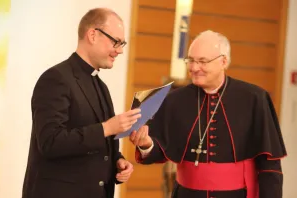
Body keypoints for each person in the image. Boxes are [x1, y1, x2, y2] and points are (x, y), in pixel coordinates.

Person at [129, 30, 287, 198]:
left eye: (202, 62)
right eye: (191, 60)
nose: (194, 68)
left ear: (223, 61)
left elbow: (270, 165)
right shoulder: (174, 100)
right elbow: (160, 149)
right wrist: (146, 144)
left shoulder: (255, 98)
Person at [22, 8, 140, 198]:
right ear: (93, 35)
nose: (120, 50)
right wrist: (106, 128)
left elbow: (96, 145)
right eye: (116, 42)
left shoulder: (101, 86)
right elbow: (50, 142)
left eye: (122, 43)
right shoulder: (55, 79)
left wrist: (117, 162)